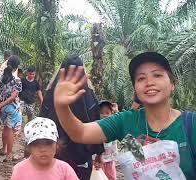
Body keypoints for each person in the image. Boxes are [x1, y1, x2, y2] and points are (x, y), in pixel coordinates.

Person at [53, 52, 196, 179]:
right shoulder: (126, 121)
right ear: (135, 88)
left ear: (172, 84)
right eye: (141, 78)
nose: (149, 82)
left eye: (157, 75)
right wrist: (61, 106)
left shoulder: (191, 124)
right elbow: (80, 133)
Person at [40, 54, 104, 180]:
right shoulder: (88, 95)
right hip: (81, 154)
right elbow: (95, 123)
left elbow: (42, 122)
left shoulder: (51, 93)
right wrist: (99, 152)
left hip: (55, 151)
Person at [10, 117, 79, 180]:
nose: (43, 149)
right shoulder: (20, 170)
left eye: (48, 143)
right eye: (36, 144)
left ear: (57, 145)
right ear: (28, 147)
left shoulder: (64, 169)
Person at [0, 55, 22, 162]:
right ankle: (9, 154)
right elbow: (13, 97)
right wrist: (1, 105)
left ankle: (4, 148)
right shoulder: (17, 80)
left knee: (6, 127)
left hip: (2, 107)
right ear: (16, 67)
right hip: (12, 107)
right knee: (10, 130)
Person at [94, 100, 118, 180]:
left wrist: (116, 111)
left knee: (111, 176)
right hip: (97, 160)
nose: (105, 115)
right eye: (102, 113)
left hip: (110, 159)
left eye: (107, 113)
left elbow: (120, 121)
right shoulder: (95, 125)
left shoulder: (114, 125)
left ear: (111, 114)